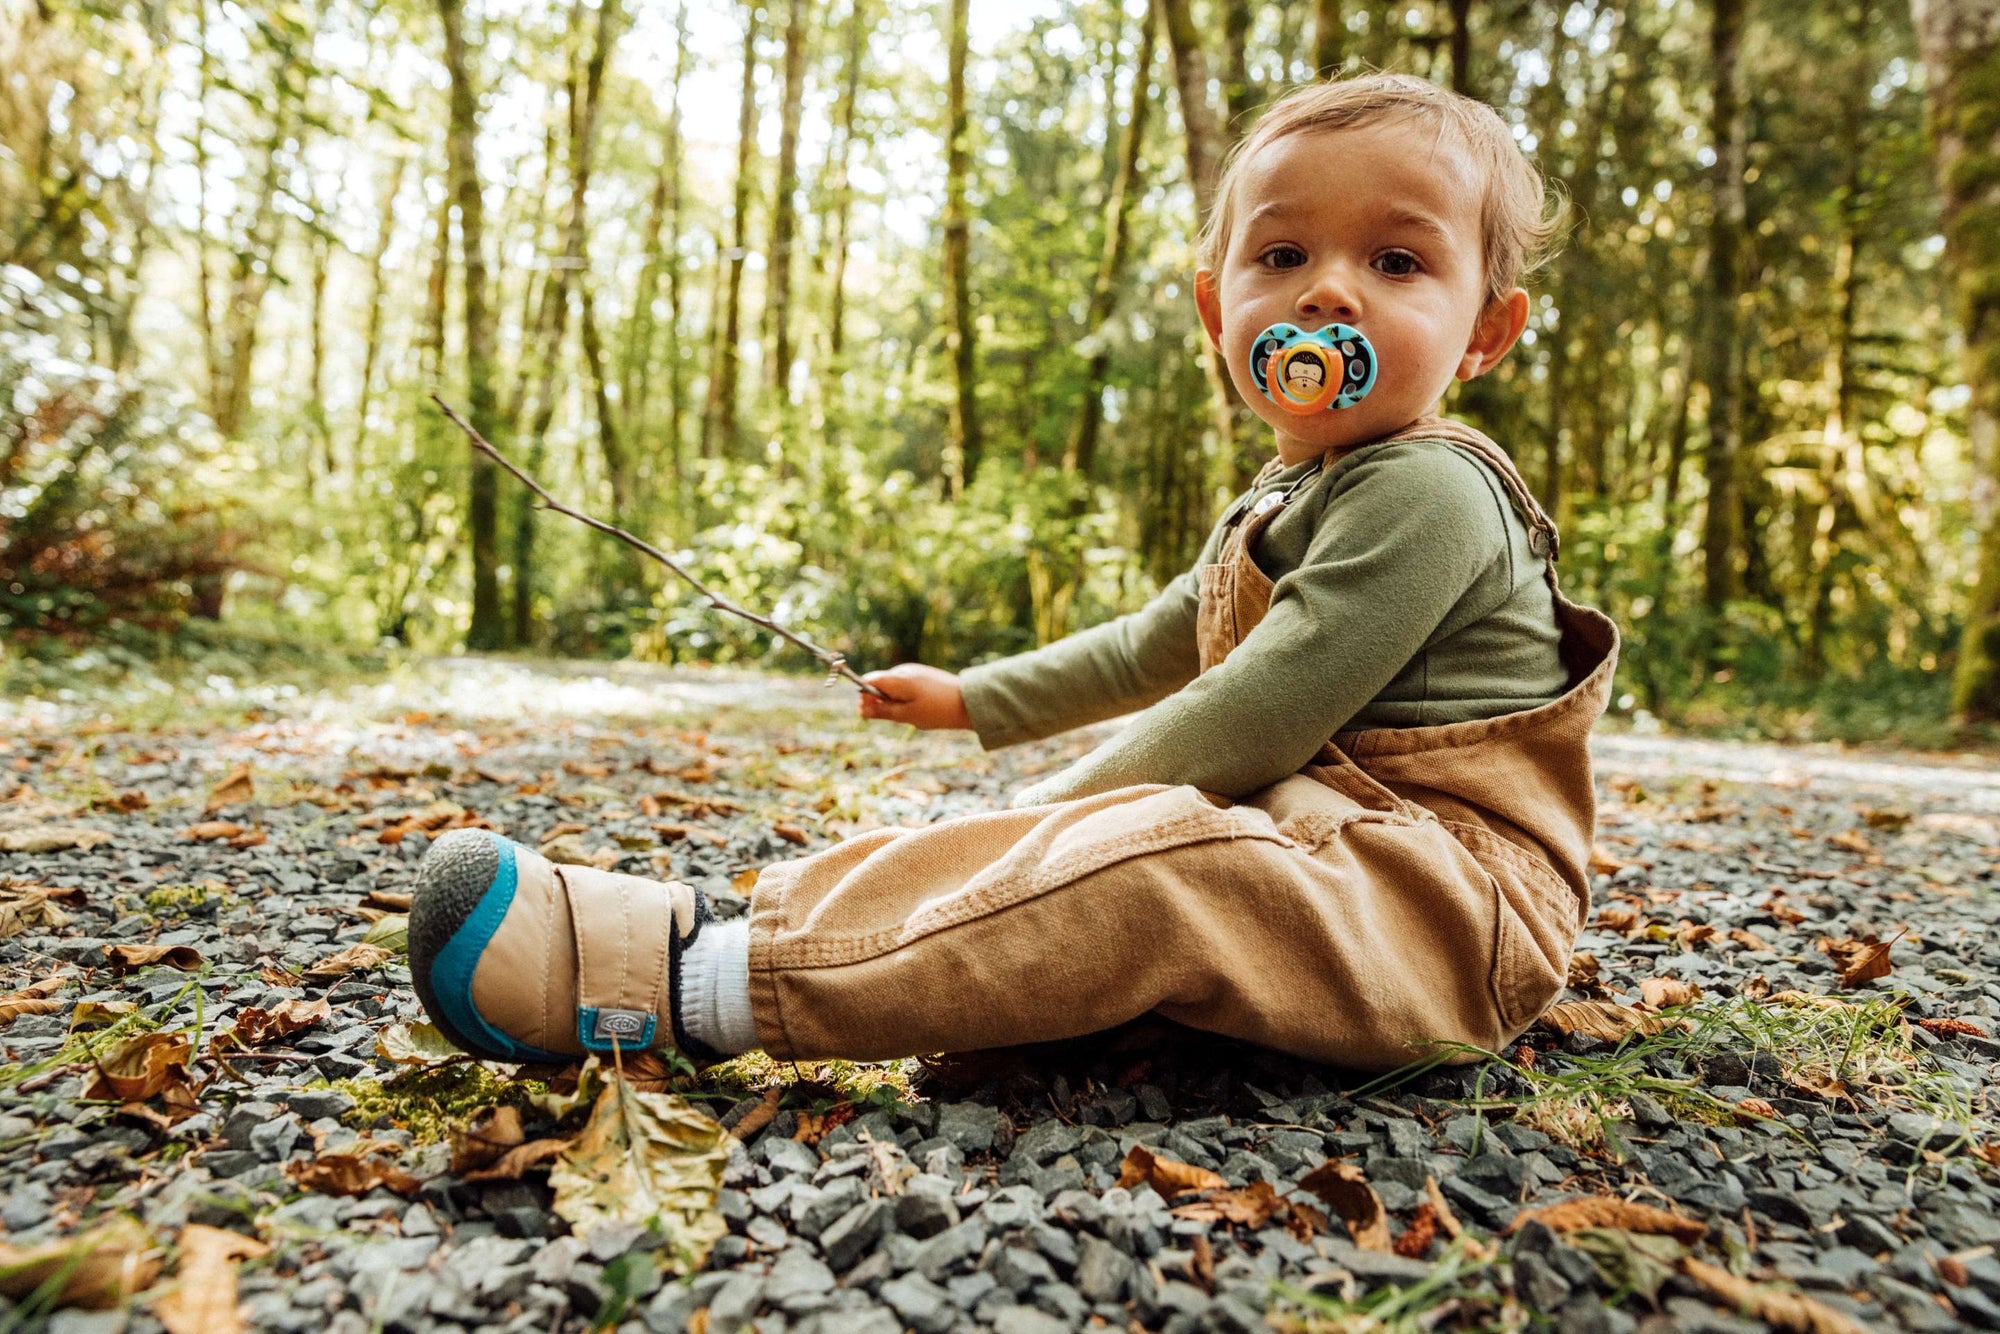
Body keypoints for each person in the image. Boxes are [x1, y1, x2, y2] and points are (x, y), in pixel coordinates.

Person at [406, 72, 1616, 1074]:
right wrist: (975, 695)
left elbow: (1259, 705)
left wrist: (1040, 821)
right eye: (1283, 251)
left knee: (1152, 859)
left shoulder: (1431, 490)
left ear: (1484, 332)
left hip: (1444, 906)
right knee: (1135, 858)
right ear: (1216, 307)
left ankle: (696, 986)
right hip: (1326, 847)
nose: (1327, 290)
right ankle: (744, 923)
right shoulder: (1285, 493)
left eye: (1398, 263)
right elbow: (1158, 645)